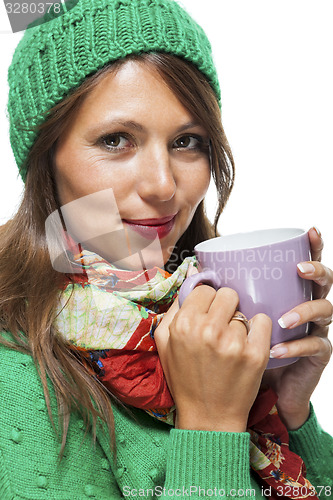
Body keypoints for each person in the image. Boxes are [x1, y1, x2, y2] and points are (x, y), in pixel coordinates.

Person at [0, 0, 332, 498]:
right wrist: (212, 423)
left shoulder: (194, 304)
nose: (162, 186)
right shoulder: (16, 378)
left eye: (187, 141)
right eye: (116, 140)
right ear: (45, 159)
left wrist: (288, 409)